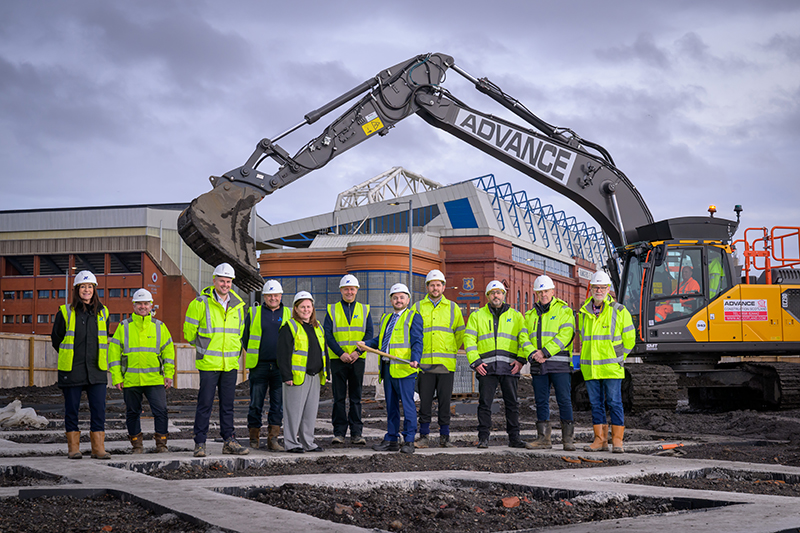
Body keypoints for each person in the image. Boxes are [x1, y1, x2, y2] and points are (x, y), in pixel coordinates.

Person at [184, 263, 249, 457]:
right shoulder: (200, 303)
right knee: (205, 404)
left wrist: (235, 352)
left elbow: (239, 334)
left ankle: (229, 440)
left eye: (228, 281)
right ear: (214, 281)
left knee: (228, 405)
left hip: (229, 364)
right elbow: (189, 333)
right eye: (222, 280)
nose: (225, 285)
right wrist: (204, 348)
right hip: (209, 363)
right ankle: (200, 442)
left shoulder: (238, 306)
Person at [464, 280, 533, 449]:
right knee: (485, 404)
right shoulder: (477, 316)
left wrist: (521, 360)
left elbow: (523, 339)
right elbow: (469, 340)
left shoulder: (516, 316)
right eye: (493, 293)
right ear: (488, 296)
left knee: (512, 404)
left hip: (510, 366)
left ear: (504, 295)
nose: (496, 295)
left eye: (499, 292)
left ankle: (514, 438)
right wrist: (475, 361)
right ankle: (483, 438)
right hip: (486, 368)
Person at [51, 270, 111, 460]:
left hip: (97, 369)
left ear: (95, 290)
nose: (87, 290)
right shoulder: (65, 312)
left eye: (90, 286)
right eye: (83, 286)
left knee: (99, 409)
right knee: (71, 410)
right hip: (72, 369)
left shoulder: (103, 312)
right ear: (77, 290)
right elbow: (56, 339)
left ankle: (98, 449)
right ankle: (73, 448)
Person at [358, 282, 423, 454]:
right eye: (395, 297)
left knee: (408, 406)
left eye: (402, 297)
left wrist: (416, 358)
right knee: (391, 406)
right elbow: (381, 341)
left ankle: (409, 440)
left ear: (408, 299)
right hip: (387, 368)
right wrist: (366, 344)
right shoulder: (387, 318)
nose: (398, 300)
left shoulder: (413, 316)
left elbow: (417, 341)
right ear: (391, 300)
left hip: (405, 369)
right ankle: (392, 439)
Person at [108, 289, 175, 454]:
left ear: (151, 305)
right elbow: (114, 353)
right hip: (131, 379)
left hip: (155, 379)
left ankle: (161, 445)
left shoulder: (160, 327)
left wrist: (169, 374)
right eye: (139, 303)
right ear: (134, 305)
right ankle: (137, 445)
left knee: (161, 411)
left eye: (146, 303)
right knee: (132, 413)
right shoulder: (124, 327)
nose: (143, 306)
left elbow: (168, 353)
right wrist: (117, 377)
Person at [578, 271, 636, 453]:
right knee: (595, 404)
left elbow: (630, 338)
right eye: (596, 287)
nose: (599, 290)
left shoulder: (619, 311)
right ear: (591, 289)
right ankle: (600, 440)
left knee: (614, 402)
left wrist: (619, 358)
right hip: (591, 368)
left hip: (611, 367)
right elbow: (583, 338)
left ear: (608, 289)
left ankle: (617, 441)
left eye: (602, 287)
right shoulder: (584, 312)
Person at [523, 275, 576, 451]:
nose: (543, 294)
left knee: (564, 400)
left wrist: (545, 352)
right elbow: (523, 337)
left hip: (559, 365)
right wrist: (533, 353)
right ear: (536, 293)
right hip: (539, 365)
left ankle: (567, 440)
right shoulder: (530, 315)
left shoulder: (564, 311)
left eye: (546, 291)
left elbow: (566, 334)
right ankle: (543, 439)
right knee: (541, 401)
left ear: (553, 291)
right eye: (540, 292)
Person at [412, 269, 464, 448]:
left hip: (445, 364)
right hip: (425, 364)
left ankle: (445, 438)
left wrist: (449, 350)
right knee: (424, 403)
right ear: (427, 287)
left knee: (445, 403)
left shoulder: (453, 307)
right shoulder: (417, 307)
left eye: (438, 285)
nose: (435, 288)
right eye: (432, 285)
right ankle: (424, 437)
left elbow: (459, 334)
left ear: (444, 286)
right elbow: (412, 333)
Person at [324, 274, 373, 446]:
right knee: (338, 398)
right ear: (341, 290)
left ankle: (357, 433)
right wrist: (340, 353)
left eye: (352, 289)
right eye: (346, 289)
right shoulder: (332, 309)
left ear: (357, 290)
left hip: (357, 359)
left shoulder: (365, 309)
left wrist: (357, 352)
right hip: (338, 360)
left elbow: (369, 334)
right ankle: (339, 433)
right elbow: (327, 335)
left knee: (356, 397)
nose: (349, 292)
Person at [277, 291, 328, 453]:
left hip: (315, 376)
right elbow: (282, 353)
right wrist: (286, 375)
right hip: (297, 377)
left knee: (310, 413)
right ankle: (291, 443)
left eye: (308, 306)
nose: (306, 310)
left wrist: (326, 373)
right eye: (302, 307)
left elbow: (324, 351)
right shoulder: (289, 326)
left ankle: (308, 443)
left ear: (313, 308)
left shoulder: (317, 327)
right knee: (293, 412)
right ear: (296, 309)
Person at [242, 279, 291, 451]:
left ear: (281, 295)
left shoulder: (288, 313)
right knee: (256, 403)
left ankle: (273, 439)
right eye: (269, 295)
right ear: (264, 296)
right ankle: (254, 438)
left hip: (280, 368)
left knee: (277, 405)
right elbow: (245, 337)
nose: (273, 298)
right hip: (259, 366)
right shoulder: (254, 312)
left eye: (276, 295)